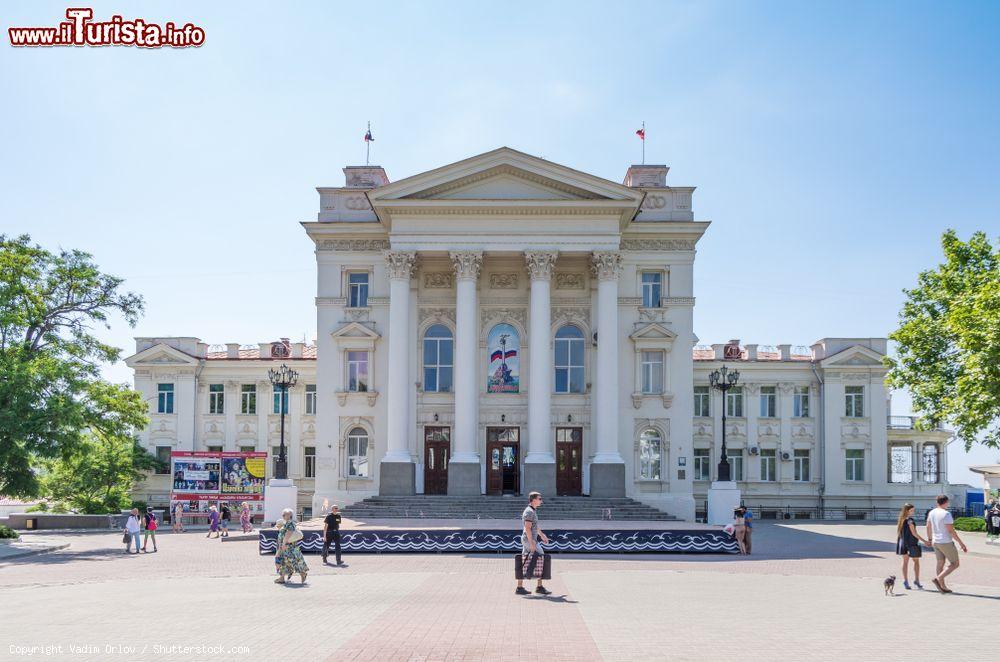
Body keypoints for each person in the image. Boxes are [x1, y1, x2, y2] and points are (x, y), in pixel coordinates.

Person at [926, 494, 968, 593]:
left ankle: (942, 586)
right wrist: (961, 543)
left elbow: (928, 526)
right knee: (955, 564)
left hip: (935, 541)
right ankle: (938, 578)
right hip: (946, 542)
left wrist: (929, 539)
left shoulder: (932, 512)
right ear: (946, 502)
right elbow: (951, 531)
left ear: (937, 502)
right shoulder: (946, 514)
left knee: (940, 563)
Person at [516, 492, 550, 596]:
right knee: (541, 558)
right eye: (539, 499)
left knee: (524, 561)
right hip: (528, 540)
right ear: (533, 499)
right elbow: (527, 528)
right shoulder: (529, 511)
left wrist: (542, 535)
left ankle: (519, 587)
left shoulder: (532, 511)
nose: (541, 501)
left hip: (528, 539)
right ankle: (539, 587)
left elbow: (534, 527)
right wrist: (532, 543)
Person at [895, 503, 930, 589]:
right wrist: (925, 541)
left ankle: (906, 581)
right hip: (912, 543)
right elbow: (914, 533)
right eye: (911, 510)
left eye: (913, 510)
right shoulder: (910, 520)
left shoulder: (901, 519)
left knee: (905, 562)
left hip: (903, 543)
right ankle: (916, 580)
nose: (913, 512)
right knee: (916, 562)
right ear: (907, 511)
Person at [274, 508, 309, 584]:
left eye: (284, 515)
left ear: (289, 515)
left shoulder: (290, 523)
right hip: (285, 547)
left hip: (290, 548)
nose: (283, 516)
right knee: (283, 562)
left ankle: (303, 574)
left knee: (295, 562)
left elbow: (288, 533)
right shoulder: (286, 523)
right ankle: (282, 578)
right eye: (282, 514)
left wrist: (283, 544)